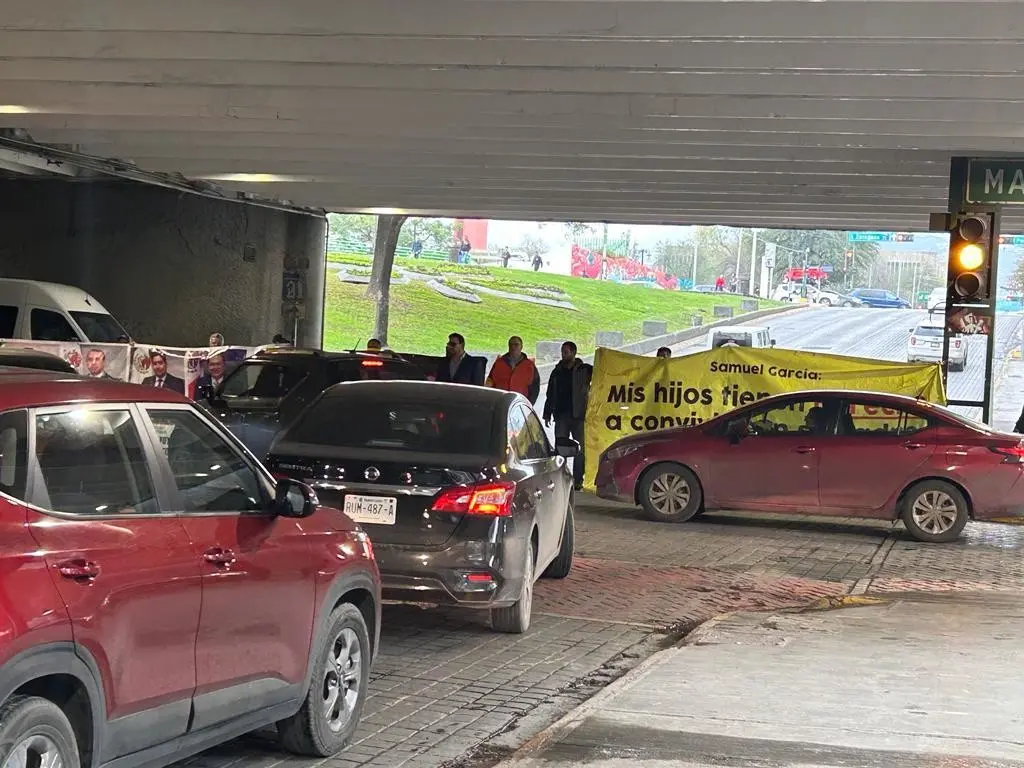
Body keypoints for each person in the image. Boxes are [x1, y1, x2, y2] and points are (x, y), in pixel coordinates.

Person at [543, 341, 593, 490]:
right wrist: (547, 413)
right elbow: (550, 393)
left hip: (579, 415)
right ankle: (561, 476)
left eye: (566, 352)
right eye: (562, 352)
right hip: (561, 415)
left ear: (574, 353)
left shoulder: (585, 370)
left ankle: (578, 479)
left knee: (580, 449)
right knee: (561, 448)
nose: (563, 354)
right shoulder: (557, 371)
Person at [486, 335, 541, 404]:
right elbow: (490, 383)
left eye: (516, 344)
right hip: (500, 403)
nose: (513, 347)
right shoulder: (499, 363)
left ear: (521, 347)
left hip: (520, 404)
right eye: (511, 344)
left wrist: (529, 405)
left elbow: (535, 388)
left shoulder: (529, 365)